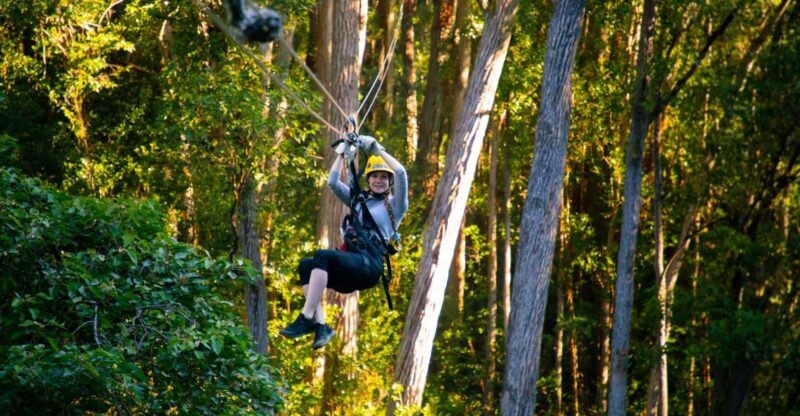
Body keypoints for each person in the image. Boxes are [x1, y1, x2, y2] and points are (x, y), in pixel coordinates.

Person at [279, 135, 408, 349]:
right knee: (306, 265)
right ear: (368, 179)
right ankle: (321, 325)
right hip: (352, 268)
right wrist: (341, 154)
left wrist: (376, 149)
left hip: (369, 266)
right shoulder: (359, 201)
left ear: (390, 182)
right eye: (374, 176)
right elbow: (332, 183)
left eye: (384, 177)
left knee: (322, 256)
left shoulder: (395, 206)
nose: (378, 180)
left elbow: (402, 172)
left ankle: (305, 318)